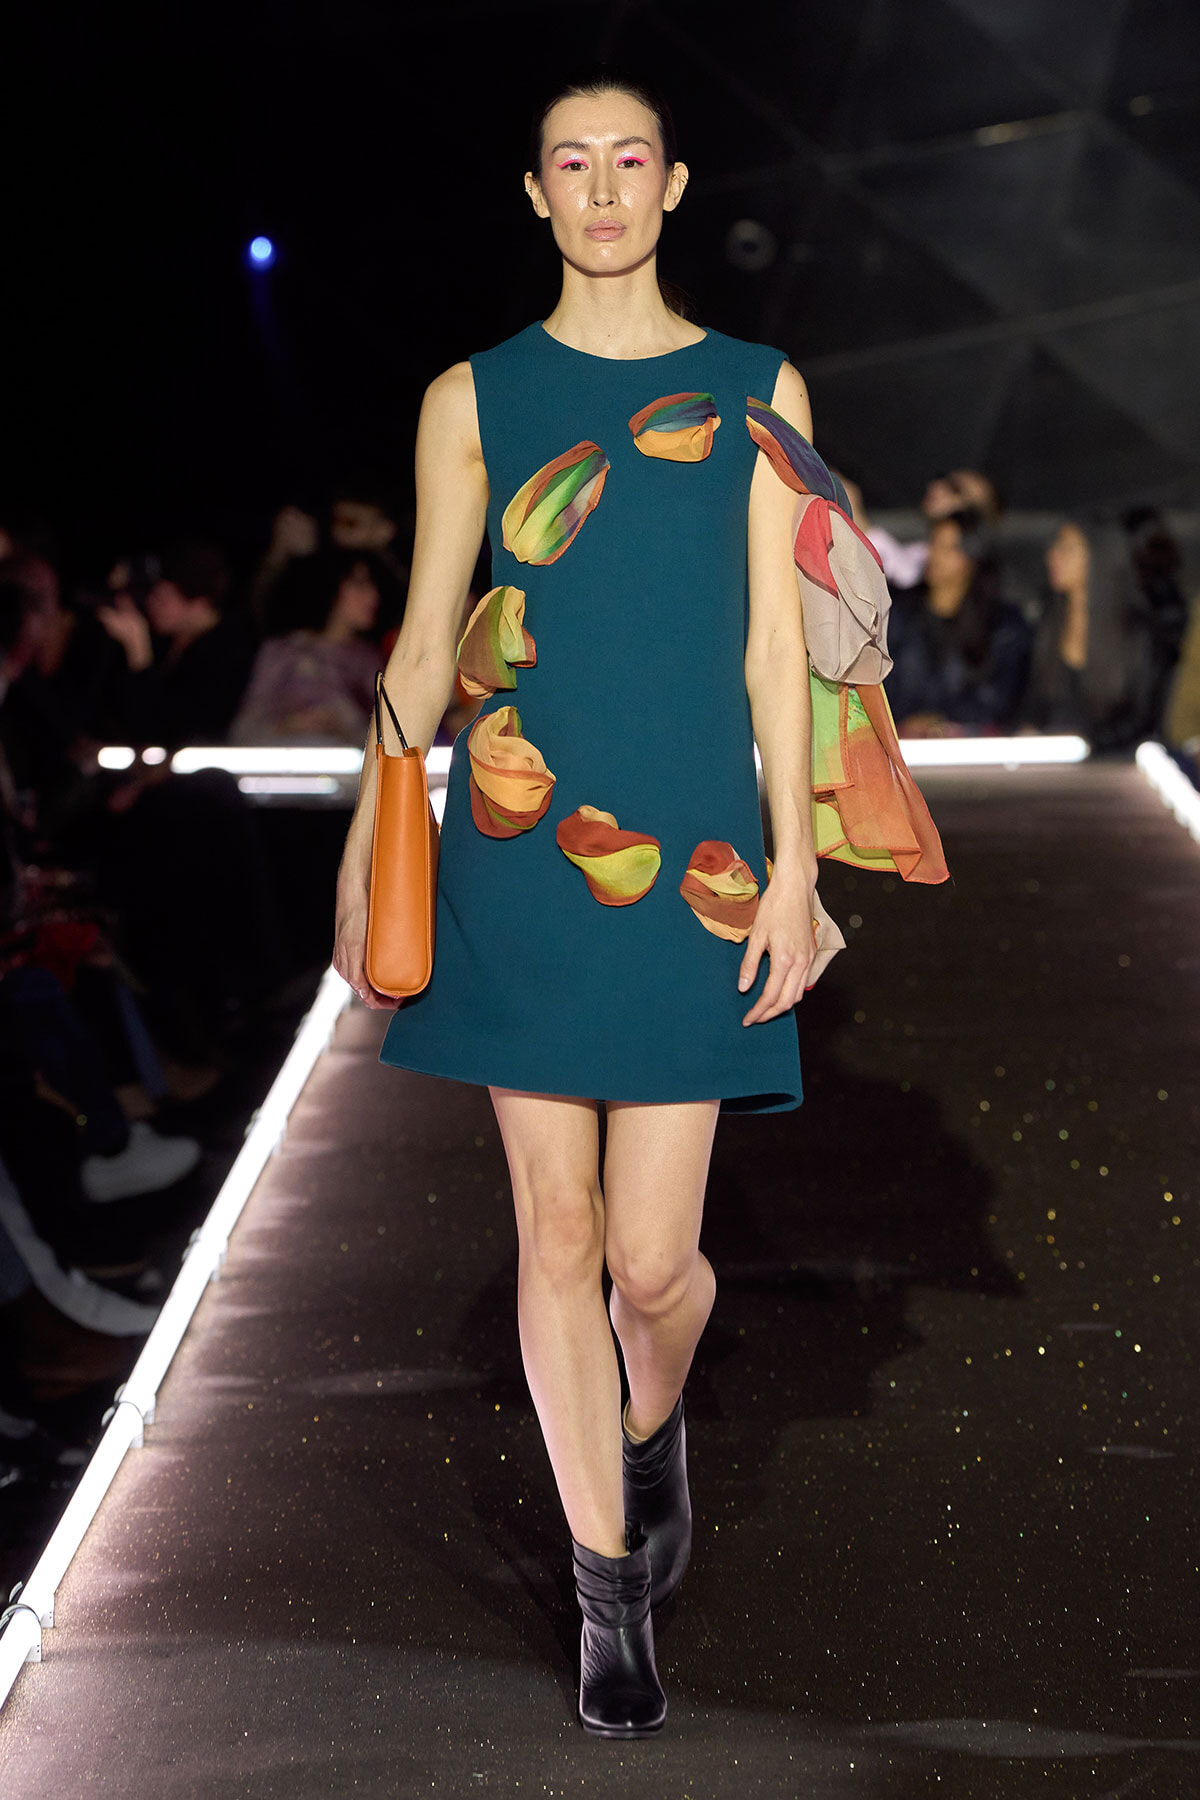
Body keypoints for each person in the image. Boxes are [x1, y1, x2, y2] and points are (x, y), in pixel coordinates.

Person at [333, 66, 947, 1739]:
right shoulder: (474, 397)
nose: (602, 189)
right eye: (569, 166)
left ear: (671, 187)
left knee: (658, 1266)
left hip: (692, 858)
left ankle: (652, 1418)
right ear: (535, 197)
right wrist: (369, 821)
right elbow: (423, 628)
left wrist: (804, 870)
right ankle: (609, 1592)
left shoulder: (760, 385)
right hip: (522, 849)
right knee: (557, 1229)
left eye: (629, 163)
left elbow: (781, 647)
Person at [1022, 517, 1174, 752]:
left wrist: (1086, 744)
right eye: (1054, 547)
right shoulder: (1049, 620)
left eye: (1067, 548)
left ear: (1100, 556)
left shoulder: (1137, 632)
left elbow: (1142, 719)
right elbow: (1035, 700)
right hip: (1051, 762)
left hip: (1112, 766)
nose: (1053, 556)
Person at [884, 508, 1032, 734]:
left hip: (972, 750)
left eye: (950, 548)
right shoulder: (896, 612)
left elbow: (1001, 698)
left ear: (973, 556)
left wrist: (946, 724)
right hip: (901, 743)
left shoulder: (1002, 624)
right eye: (935, 543)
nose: (936, 555)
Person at [230, 549, 382, 745]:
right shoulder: (283, 652)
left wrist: (339, 722)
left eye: (373, 585)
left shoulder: (369, 660)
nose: (373, 596)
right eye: (359, 585)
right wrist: (288, 725)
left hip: (350, 771)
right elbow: (242, 730)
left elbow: (387, 736)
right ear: (331, 586)